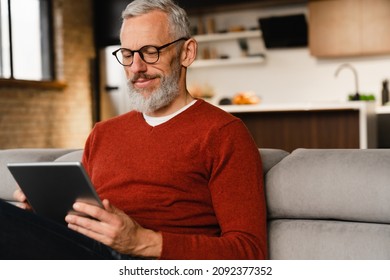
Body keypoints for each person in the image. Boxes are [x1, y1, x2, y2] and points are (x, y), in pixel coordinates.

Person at [2, 0, 267, 260]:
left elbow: (250, 252)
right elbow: (86, 220)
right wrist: (45, 217)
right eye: (128, 55)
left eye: (151, 51)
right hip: (86, 253)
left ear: (187, 52)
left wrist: (142, 242)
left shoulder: (224, 133)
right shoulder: (104, 133)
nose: (136, 68)